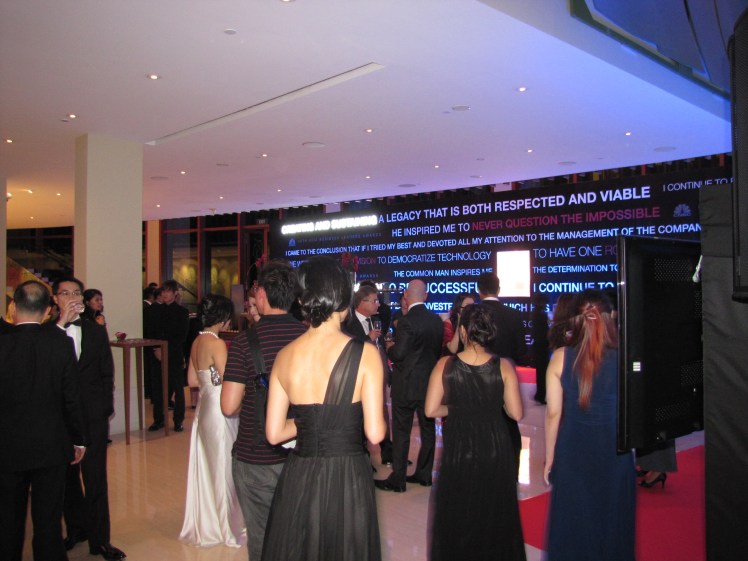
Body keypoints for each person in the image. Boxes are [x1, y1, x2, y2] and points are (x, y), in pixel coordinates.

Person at [261, 256, 386, 561]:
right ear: (343, 300)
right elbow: (375, 433)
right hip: (347, 474)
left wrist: (311, 422)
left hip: (300, 472)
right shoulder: (366, 354)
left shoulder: (284, 356)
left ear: (303, 300)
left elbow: (274, 434)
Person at [425, 304, 526, 561]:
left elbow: (431, 409)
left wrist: (457, 407)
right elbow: (516, 413)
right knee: (494, 510)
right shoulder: (503, 366)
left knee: (458, 510)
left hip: (459, 445)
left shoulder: (445, 364)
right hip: (495, 445)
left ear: (462, 331)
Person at [221, 260, 306, 561]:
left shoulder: (244, 342)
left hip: (255, 455)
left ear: (260, 295)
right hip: (303, 454)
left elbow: (229, 406)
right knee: (298, 535)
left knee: (262, 539)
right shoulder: (309, 337)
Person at [544, 289, 635, 561]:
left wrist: (550, 459)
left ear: (575, 320)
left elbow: (553, 413)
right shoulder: (625, 357)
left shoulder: (560, 357)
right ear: (612, 316)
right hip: (614, 452)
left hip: (573, 452)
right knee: (613, 525)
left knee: (573, 528)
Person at [0, 280, 87, 561]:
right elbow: (71, 398)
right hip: (51, 444)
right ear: (48, 310)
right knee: (48, 520)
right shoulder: (60, 344)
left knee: (7, 519)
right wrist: (78, 439)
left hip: (7, 445)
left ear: (13, 307)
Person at [52, 277, 126, 561]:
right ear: (55, 298)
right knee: (67, 478)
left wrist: (105, 407)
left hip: (92, 414)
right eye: (65, 293)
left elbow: (107, 371)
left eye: (76, 293)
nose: (72, 297)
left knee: (95, 478)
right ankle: (76, 529)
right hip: (59, 417)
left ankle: (100, 539)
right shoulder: (48, 332)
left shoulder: (95, 331)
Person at [179, 295, 246, 547]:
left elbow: (192, 381)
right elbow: (230, 379)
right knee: (224, 467)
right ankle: (226, 528)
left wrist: (211, 379)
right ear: (223, 318)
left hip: (204, 408)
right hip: (220, 408)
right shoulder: (216, 343)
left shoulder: (197, 341)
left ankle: (209, 521)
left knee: (208, 465)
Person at [376, 279, 443, 492]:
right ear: (426, 296)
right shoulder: (436, 320)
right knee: (428, 429)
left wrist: (389, 347)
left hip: (405, 384)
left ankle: (398, 479)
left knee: (402, 431)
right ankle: (424, 474)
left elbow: (399, 354)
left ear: (406, 295)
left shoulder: (406, 321)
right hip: (429, 384)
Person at [477, 272, 526, 472]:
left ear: (479, 290)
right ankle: (511, 471)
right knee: (509, 423)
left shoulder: (473, 314)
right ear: (498, 289)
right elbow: (522, 352)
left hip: (477, 377)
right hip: (507, 377)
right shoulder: (513, 315)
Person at [343, 284, 394, 465]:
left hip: (378, 374)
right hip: (358, 376)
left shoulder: (375, 320)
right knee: (359, 414)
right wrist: (368, 339)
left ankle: (388, 453)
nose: (378, 304)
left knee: (382, 411)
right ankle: (362, 457)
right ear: (362, 302)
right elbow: (348, 349)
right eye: (374, 301)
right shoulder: (348, 323)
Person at [148, 279, 189, 432]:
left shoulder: (182, 312)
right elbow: (150, 333)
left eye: (168, 291)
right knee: (158, 388)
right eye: (163, 291)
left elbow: (181, 337)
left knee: (178, 389)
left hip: (174, 355)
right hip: (157, 355)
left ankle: (178, 420)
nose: (165, 294)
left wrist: (165, 349)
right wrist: (156, 349)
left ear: (175, 293)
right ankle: (158, 419)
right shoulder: (154, 310)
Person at [531, 293, 550, 404]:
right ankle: (540, 395)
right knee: (542, 372)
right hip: (542, 346)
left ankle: (540, 394)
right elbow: (544, 333)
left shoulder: (535, 313)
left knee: (540, 372)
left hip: (538, 346)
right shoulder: (541, 315)